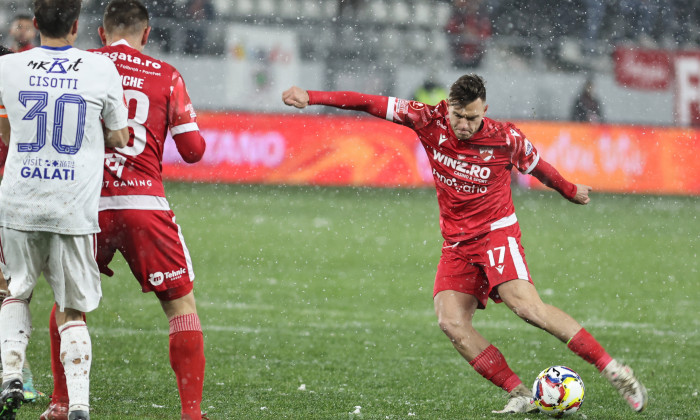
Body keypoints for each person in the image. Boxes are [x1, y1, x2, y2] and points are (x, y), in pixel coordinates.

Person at [281, 74, 648, 415]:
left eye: (473, 118)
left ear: (484, 111)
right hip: (456, 242)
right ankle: (519, 393)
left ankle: (615, 370)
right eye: (459, 116)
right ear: (448, 107)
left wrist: (569, 190)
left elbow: (538, 167)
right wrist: (311, 97)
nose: (465, 125)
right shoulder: (427, 119)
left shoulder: (505, 138)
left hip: (496, 233)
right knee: (451, 322)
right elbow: (368, 102)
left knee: (527, 308)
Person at [40, 1, 207, 419]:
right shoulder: (167, 76)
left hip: (85, 205)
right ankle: (191, 414)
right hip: (143, 205)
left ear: (99, 32)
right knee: (180, 306)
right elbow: (193, 151)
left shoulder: (79, 66)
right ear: (147, 34)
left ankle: (62, 403)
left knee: (67, 306)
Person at [0, 0, 129, 418]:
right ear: (77, 26)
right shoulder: (99, 68)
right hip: (73, 204)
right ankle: (78, 406)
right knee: (72, 308)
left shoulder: (9, 68)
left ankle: (11, 377)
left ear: (35, 24)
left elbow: (5, 131)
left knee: (16, 289)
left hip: (20, 198)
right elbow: (121, 136)